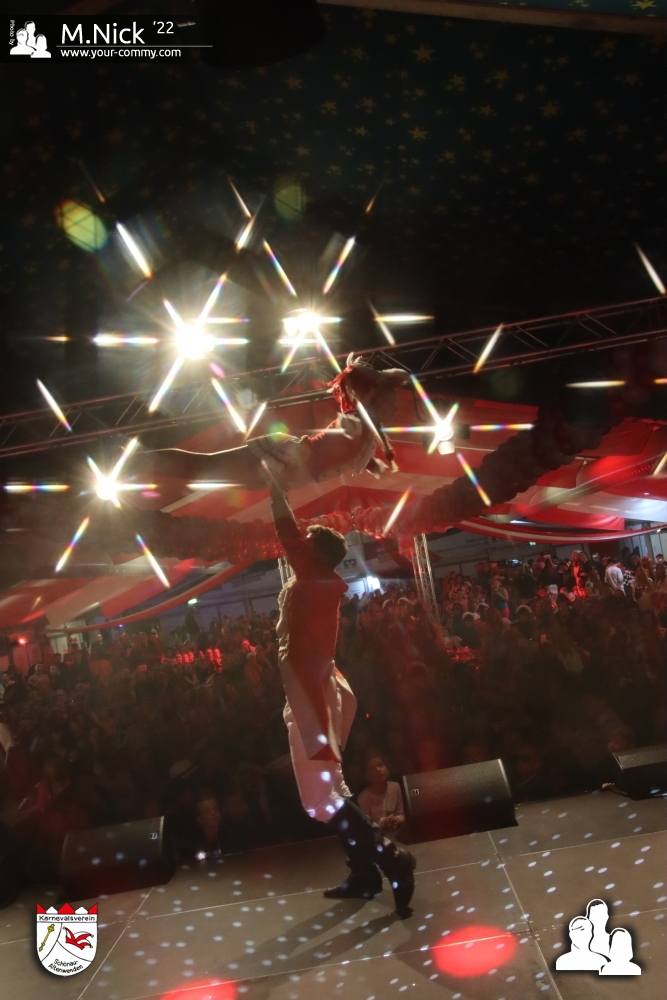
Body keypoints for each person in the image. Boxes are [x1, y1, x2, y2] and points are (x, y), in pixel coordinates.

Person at [270, 482, 416, 917]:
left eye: (306, 543)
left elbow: (287, 533)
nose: (298, 545)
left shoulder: (313, 579)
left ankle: (392, 858)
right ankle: (365, 875)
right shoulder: (315, 580)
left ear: (315, 554)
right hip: (315, 692)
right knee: (332, 791)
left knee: (321, 800)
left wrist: (274, 485)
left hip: (313, 698)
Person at [357, 756, 405, 834]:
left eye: (380, 765)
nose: (378, 770)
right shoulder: (363, 798)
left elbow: (401, 814)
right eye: (372, 768)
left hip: (396, 833)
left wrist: (396, 819)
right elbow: (366, 826)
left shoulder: (395, 787)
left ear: (387, 769)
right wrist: (383, 822)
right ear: (367, 777)